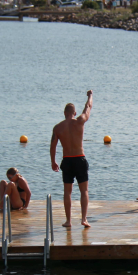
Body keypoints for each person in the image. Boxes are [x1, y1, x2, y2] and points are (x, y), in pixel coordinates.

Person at [51, 90, 93, 228]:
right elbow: (88, 108)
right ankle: (84, 219)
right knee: (84, 191)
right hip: (79, 158)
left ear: (64, 113)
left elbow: (53, 146)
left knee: (67, 192)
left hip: (67, 160)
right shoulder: (80, 121)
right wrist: (90, 96)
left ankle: (68, 221)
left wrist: (53, 161)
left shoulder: (58, 127)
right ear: (74, 113)